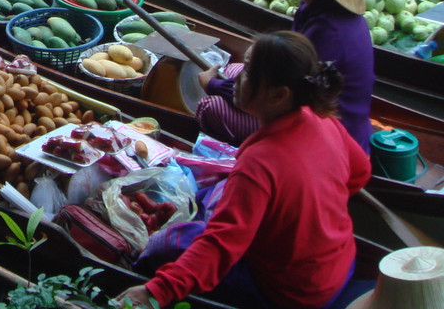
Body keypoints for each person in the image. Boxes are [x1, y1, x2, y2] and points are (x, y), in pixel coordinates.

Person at [116, 31, 370, 309]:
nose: (236, 78)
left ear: (278, 95)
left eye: (248, 73)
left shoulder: (260, 162)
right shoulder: (321, 119)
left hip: (294, 293)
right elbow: (359, 174)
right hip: (341, 262)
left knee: (168, 244)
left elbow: (221, 245)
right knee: (216, 195)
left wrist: (156, 292)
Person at [196, 0, 374, 153]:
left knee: (211, 107)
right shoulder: (315, 7)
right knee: (235, 67)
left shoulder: (328, 32)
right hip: (304, 102)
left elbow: (285, 98)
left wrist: (214, 85)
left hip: (327, 140)